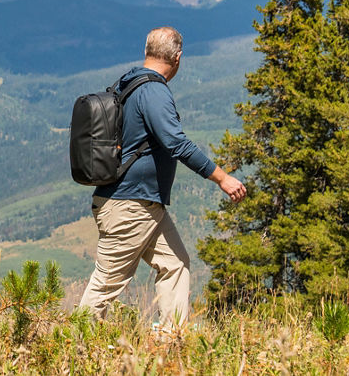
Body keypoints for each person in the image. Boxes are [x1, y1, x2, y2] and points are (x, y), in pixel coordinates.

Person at [78, 27, 246, 326]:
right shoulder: (153, 91)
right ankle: (69, 345)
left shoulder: (128, 82)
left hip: (140, 202)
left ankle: (171, 344)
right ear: (177, 58)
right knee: (107, 283)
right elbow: (176, 142)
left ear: (148, 51)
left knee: (175, 263)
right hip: (130, 205)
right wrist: (222, 178)